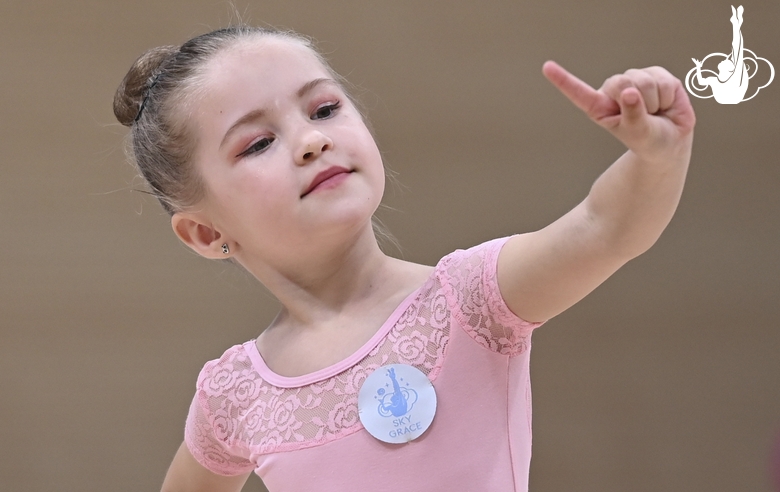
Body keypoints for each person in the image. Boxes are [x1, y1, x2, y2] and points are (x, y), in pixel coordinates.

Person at [113, 25, 695, 492]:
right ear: (203, 231)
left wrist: (657, 160)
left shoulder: (470, 298)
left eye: (323, 109)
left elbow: (604, 227)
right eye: (258, 143)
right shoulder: (234, 393)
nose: (311, 140)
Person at [692, 5, 748, 104]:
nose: (725, 59)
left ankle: (736, 23)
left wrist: (736, 26)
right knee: (737, 51)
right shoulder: (714, 80)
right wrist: (698, 67)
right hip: (726, 98)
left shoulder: (735, 78)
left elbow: (738, 48)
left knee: (737, 50)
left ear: (729, 69)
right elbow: (701, 82)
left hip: (733, 97)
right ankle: (736, 23)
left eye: (728, 61)